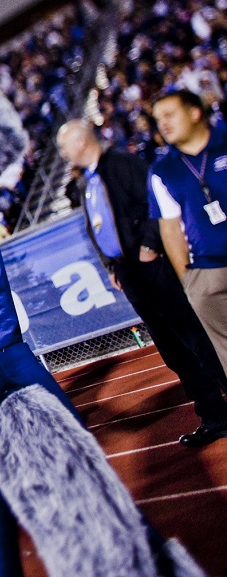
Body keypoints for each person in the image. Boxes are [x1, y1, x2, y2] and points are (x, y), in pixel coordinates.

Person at [57, 119, 227, 446]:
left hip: (152, 267)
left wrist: (149, 246)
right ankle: (214, 414)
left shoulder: (121, 164)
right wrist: (111, 265)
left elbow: (157, 207)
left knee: (195, 337)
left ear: (80, 142)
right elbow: (99, 226)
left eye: (65, 146)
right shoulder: (87, 182)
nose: (62, 153)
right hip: (131, 274)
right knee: (173, 349)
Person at [150, 89, 227, 397]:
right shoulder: (162, 170)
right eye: (157, 120)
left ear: (195, 112)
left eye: (169, 115)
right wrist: (190, 279)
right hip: (206, 273)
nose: (163, 125)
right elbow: (170, 229)